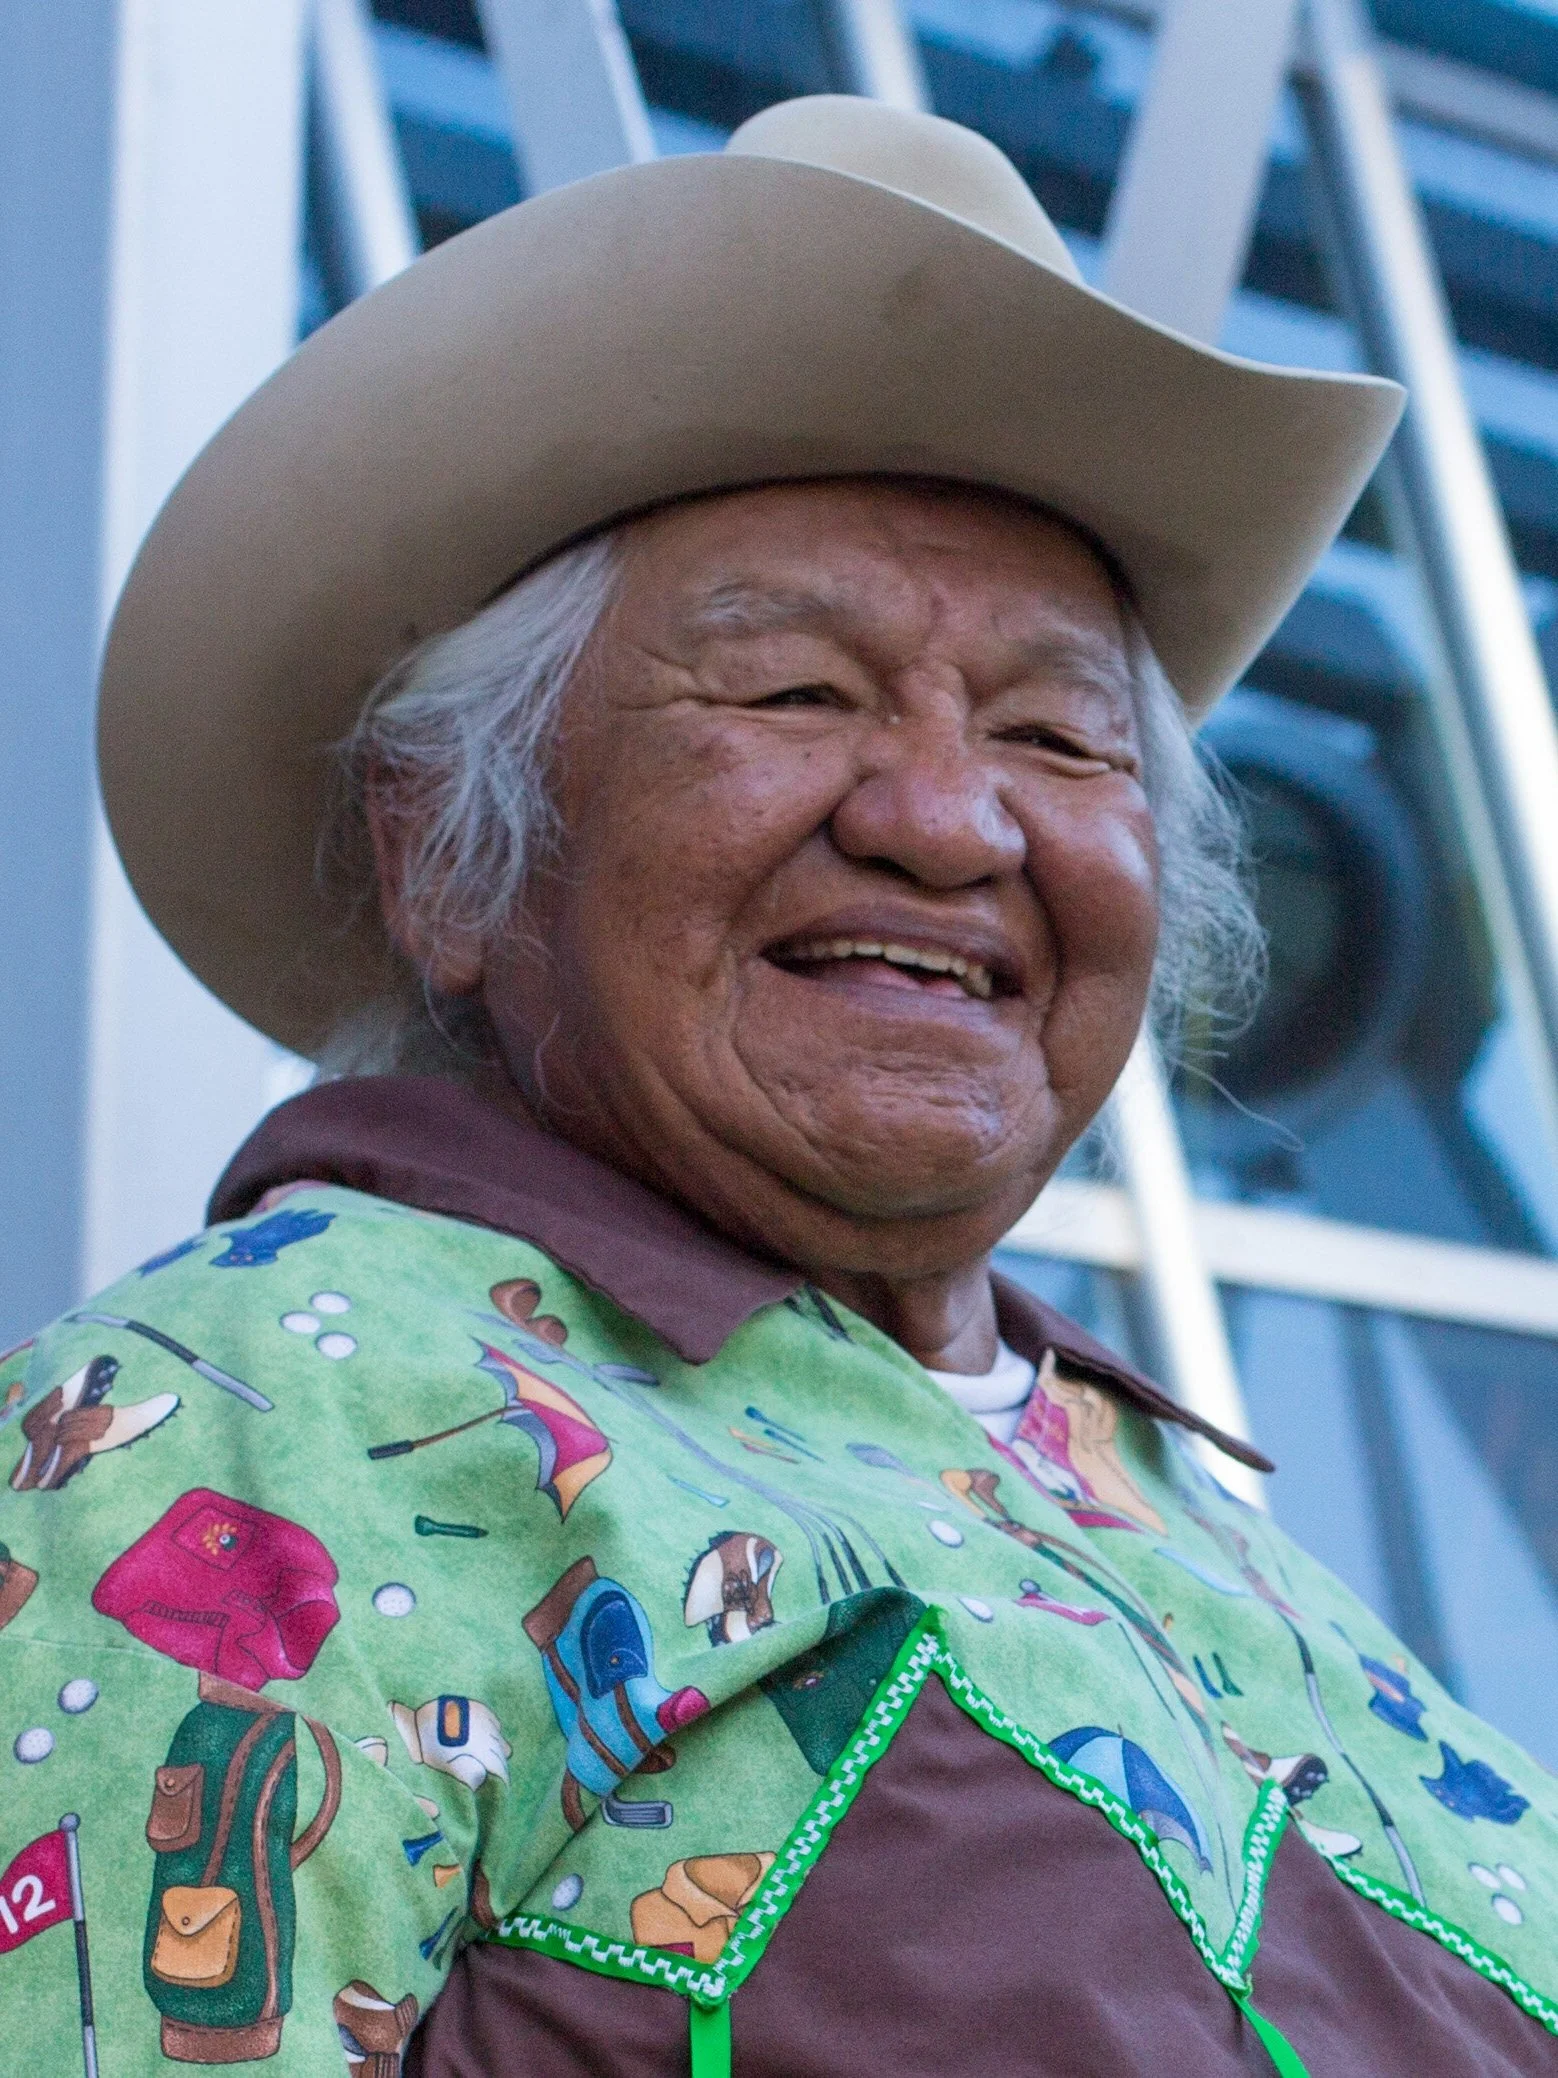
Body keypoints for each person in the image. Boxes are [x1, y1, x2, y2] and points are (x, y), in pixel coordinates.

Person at [2, 93, 1552, 2078]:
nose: (942, 817)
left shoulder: (1194, 1524)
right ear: (442, 852)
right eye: (792, 692)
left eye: (1056, 735)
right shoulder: (232, 1426)